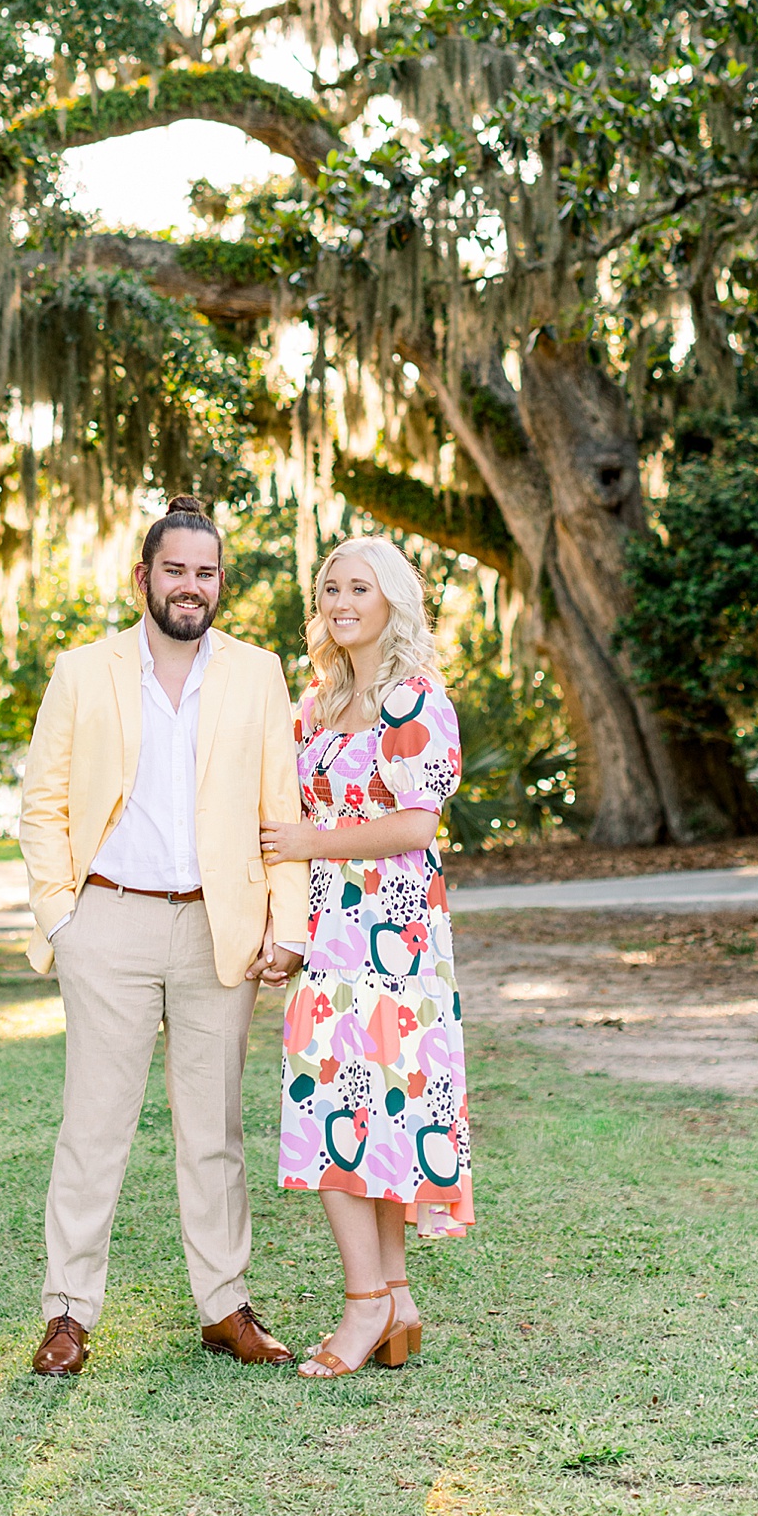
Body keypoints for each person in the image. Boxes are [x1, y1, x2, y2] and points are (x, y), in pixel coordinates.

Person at [18, 493, 310, 1376]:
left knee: (215, 1130)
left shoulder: (258, 674)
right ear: (143, 577)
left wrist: (285, 924)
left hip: (219, 930)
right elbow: (44, 806)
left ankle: (225, 1306)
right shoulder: (83, 671)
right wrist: (62, 920)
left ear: (222, 583)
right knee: (93, 1126)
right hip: (107, 920)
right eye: (175, 570)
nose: (191, 587)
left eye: (206, 573)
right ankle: (68, 1313)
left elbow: (280, 811)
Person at [259, 536, 472, 1379]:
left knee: (343, 1111)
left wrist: (314, 841)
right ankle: (395, 1297)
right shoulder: (318, 700)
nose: (342, 600)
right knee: (364, 1112)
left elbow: (418, 825)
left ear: (392, 601)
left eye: (359, 587)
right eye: (330, 587)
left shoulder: (413, 700)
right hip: (331, 934)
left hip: (396, 936)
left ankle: (363, 1306)